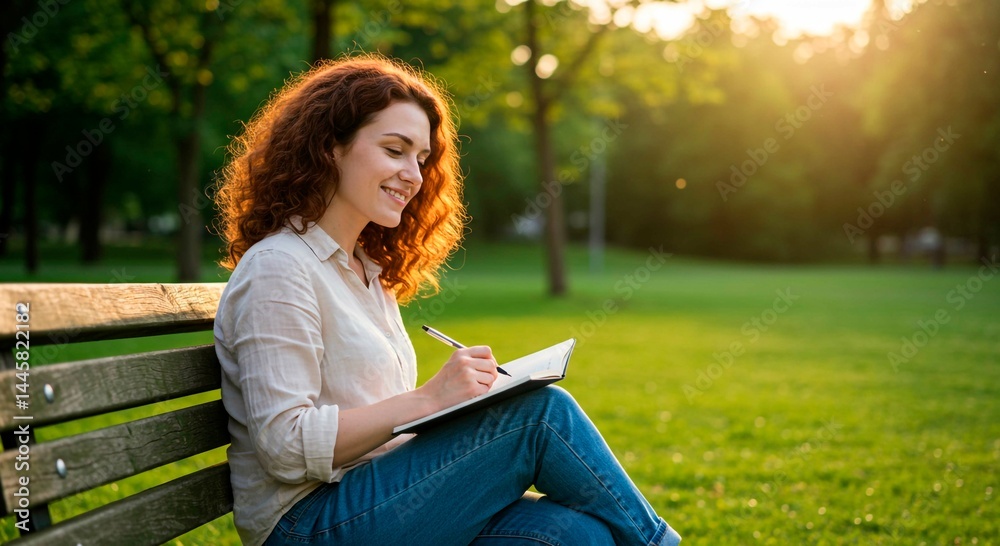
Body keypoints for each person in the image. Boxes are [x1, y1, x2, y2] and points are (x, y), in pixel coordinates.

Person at [212, 54, 682, 546]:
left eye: (421, 159)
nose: (413, 175)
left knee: (577, 535)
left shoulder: (366, 272)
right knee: (542, 413)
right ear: (331, 147)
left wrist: (456, 408)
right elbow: (284, 446)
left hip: (378, 498)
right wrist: (428, 399)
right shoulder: (280, 267)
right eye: (395, 150)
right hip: (305, 524)